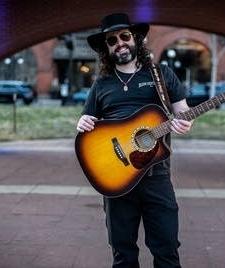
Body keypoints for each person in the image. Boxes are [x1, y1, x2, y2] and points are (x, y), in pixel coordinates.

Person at [76, 13, 193, 268]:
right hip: (116, 180)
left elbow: (183, 111)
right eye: (112, 40)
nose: (119, 43)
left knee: (167, 251)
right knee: (123, 254)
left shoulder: (161, 75)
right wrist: (81, 123)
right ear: (106, 49)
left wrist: (184, 121)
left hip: (157, 177)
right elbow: (87, 121)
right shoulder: (102, 84)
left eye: (124, 36)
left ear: (135, 39)